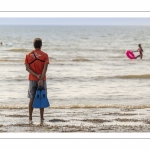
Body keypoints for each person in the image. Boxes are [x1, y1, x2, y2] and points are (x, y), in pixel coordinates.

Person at [24, 38, 49, 125]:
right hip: (42, 80)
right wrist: (41, 78)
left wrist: (35, 75)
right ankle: (41, 118)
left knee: (32, 98)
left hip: (32, 80)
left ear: (34, 45)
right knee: (41, 98)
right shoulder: (45, 55)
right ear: (41, 45)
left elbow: (27, 68)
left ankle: (30, 118)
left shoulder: (28, 55)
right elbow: (45, 68)